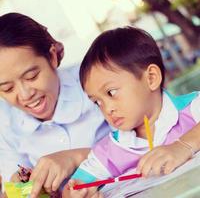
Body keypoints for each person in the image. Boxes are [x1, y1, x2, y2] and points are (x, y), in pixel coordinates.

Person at [62, 26, 200, 197]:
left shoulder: (192, 109)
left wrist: (182, 146)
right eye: (97, 102)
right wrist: (78, 193)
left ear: (151, 78)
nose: (107, 108)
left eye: (111, 92)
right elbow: (73, 187)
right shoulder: (110, 149)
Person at [0, 12, 110, 198]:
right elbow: (13, 181)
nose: (25, 95)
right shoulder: (5, 122)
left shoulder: (98, 81)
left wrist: (76, 157)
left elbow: (149, 141)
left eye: (32, 77)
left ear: (52, 57)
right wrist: (23, 189)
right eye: (7, 89)